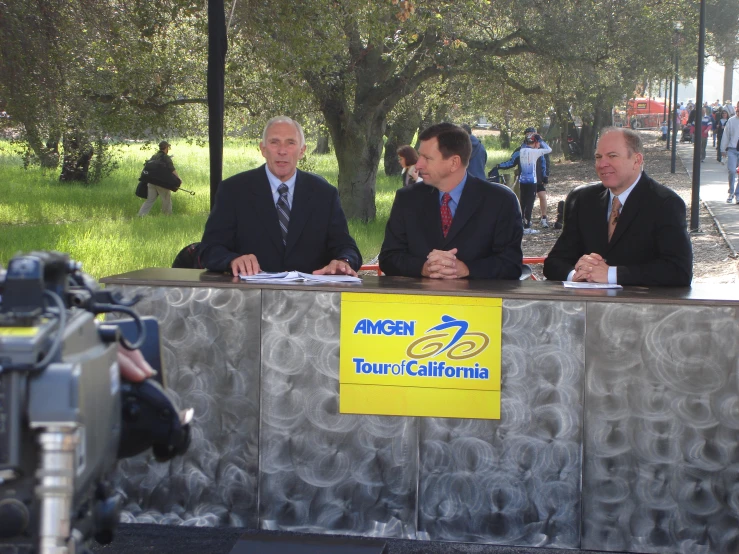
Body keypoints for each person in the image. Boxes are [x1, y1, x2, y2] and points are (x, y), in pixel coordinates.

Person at [200, 116, 362, 276]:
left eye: (290, 143)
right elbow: (209, 250)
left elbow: (346, 247)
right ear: (263, 149)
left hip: (309, 297)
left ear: (302, 150)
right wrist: (232, 260)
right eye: (274, 142)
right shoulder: (233, 191)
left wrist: (343, 261)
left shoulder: (325, 194)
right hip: (249, 296)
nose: (282, 151)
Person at [543, 127, 692, 286]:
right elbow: (554, 263)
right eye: (598, 157)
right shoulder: (583, 200)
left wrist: (611, 274)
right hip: (586, 306)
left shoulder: (665, 203)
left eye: (612, 156)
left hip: (642, 307)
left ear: (637, 160)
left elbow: (679, 271)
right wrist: (576, 274)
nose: (602, 164)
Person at [379, 122, 523, 280]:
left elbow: (511, 264)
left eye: (427, 158)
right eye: (420, 155)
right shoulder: (407, 199)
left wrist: (466, 269)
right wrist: (423, 268)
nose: (418, 165)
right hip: (419, 301)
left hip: (478, 302)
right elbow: (388, 258)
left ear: (454, 162)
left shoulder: (500, 201)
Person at [496, 131, 552, 233]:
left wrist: (498, 166)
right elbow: (548, 149)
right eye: (538, 143)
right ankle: (527, 227)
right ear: (535, 142)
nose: (539, 145)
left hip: (522, 181)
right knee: (529, 204)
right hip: (532, 182)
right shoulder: (535, 152)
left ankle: (521, 225)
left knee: (523, 202)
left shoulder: (521, 151)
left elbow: (512, 162)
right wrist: (540, 140)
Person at [138, 141, 180, 216]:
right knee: (166, 200)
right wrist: (178, 180)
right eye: (168, 148)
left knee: (150, 200)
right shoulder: (166, 158)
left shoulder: (154, 156)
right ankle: (167, 217)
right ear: (166, 148)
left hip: (151, 183)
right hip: (161, 183)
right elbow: (172, 170)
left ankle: (141, 215)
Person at [720, 109, 739, 203]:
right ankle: (731, 192)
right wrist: (723, 149)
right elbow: (726, 135)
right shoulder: (731, 121)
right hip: (732, 149)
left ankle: (737, 194)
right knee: (732, 171)